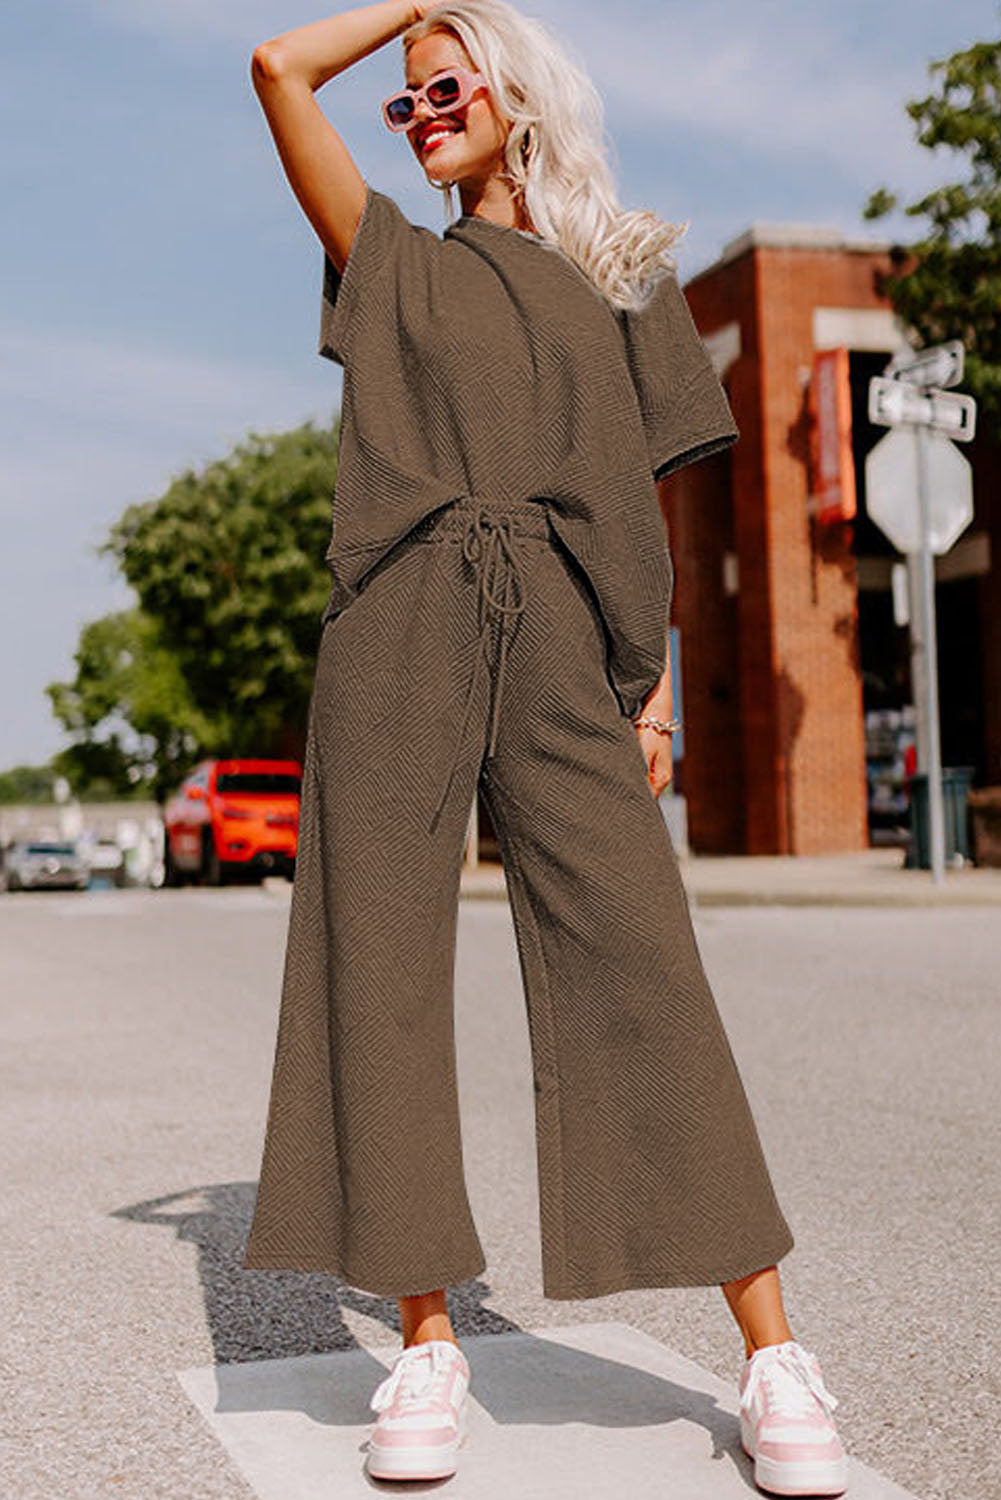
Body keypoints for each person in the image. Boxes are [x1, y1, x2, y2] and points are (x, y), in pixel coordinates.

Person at [243, 2, 848, 1493]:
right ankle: (427, 1341)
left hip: (572, 645)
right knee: (373, 971)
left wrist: (651, 685)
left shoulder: (625, 271)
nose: (419, 114)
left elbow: (649, 498)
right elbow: (273, 68)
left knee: (642, 970)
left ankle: (773, 1355)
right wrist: (409, 12)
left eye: (442, 89)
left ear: (511, 95)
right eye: (403, 104)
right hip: (396, 629)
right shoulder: (385, 257)